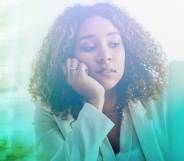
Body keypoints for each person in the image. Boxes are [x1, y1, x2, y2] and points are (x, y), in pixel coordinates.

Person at [29, 3, 168, 161]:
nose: (105, 56)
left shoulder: (160, 99)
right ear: (66, 59)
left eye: (114, 44)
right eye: (89, 47)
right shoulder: (48, 111)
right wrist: (94, 101)